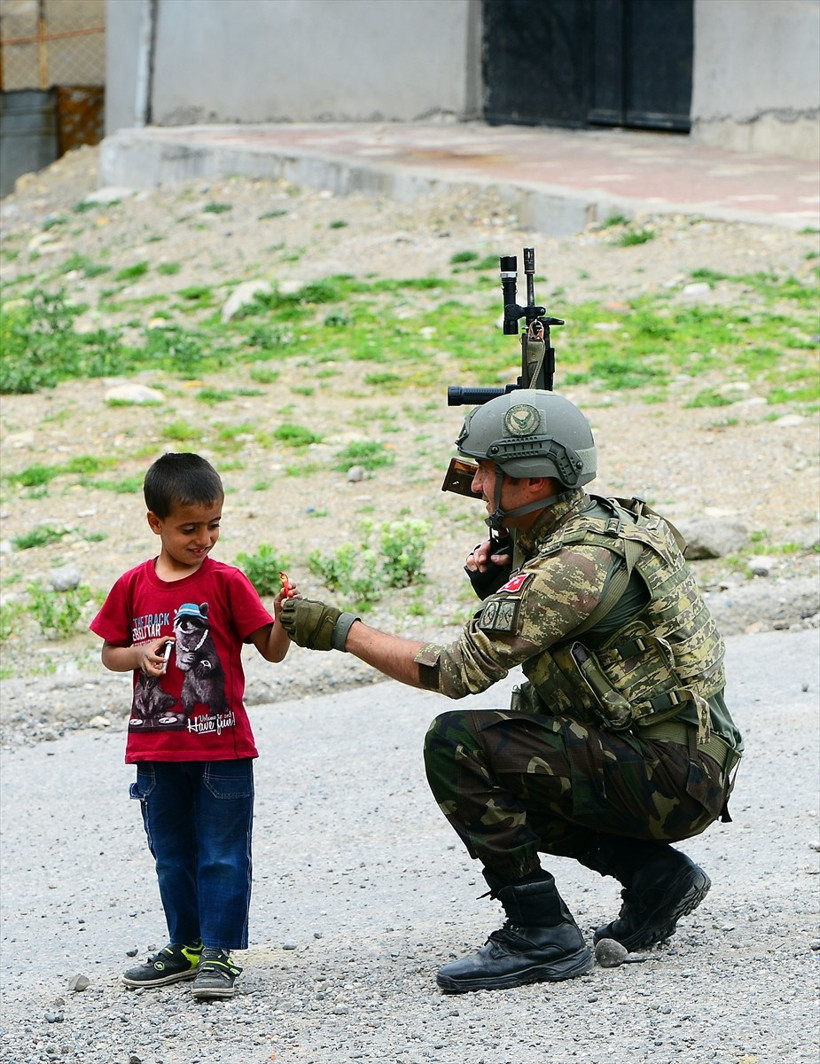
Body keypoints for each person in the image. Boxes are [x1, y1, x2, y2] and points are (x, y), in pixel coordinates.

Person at [280, 389, 743, 993]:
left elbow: (452, 672)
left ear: (532, 482)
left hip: (669, 776)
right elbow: (585, 650)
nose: (474, 487)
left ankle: (540, 932)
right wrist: (503, 583)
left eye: (488, 472)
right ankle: (658, 878)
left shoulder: (572, 565)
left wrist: (340, 630)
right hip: (686, 756)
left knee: (460, 748)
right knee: (526, 728)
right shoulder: (596, 522)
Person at [90, 452, 298, 1001]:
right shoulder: (133, 586)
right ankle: (184, 946)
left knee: (223, 853)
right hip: (157, 750)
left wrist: (284, 618)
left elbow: (270, 652)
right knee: (172, 854)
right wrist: (138, 655)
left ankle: (218, 954)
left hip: (222, 750)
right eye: (189, 529)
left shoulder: (227, 583)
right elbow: (110, 653)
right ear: (155, 523)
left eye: (214, 526)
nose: (204, 539)